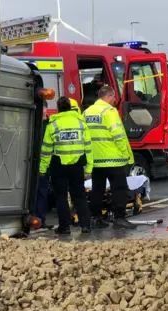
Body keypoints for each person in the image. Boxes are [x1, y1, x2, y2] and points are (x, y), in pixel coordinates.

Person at [83, 86, 137, 230]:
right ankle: (119, 218)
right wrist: (124, 153)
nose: (114, 100)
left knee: (97, 190)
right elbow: (118, 134)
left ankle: (96, 218)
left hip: (95, 159)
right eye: (113, 97)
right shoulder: (109, 111)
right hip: (113, 159)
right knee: (119, 189)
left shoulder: (87, 112)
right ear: (108, 97)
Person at [39, 97, 93, 234]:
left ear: (58, 108)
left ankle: (65, 227)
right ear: (70, 107)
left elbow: (46, 150)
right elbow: (88, 147)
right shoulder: (81, 123)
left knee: (61, 197)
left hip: (58, 165)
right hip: (77, 165)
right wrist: (89, 167)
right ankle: (85, 225)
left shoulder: (53, 124)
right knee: (79, 195)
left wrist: (42, 168)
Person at [35, 103, 53, 229]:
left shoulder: (50, 125)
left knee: (43, 191)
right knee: (36, 191)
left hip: (47, 162)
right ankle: (36, 217)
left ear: (46, 108)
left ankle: (40, 218)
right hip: (34, 161)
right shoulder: (33, 123)